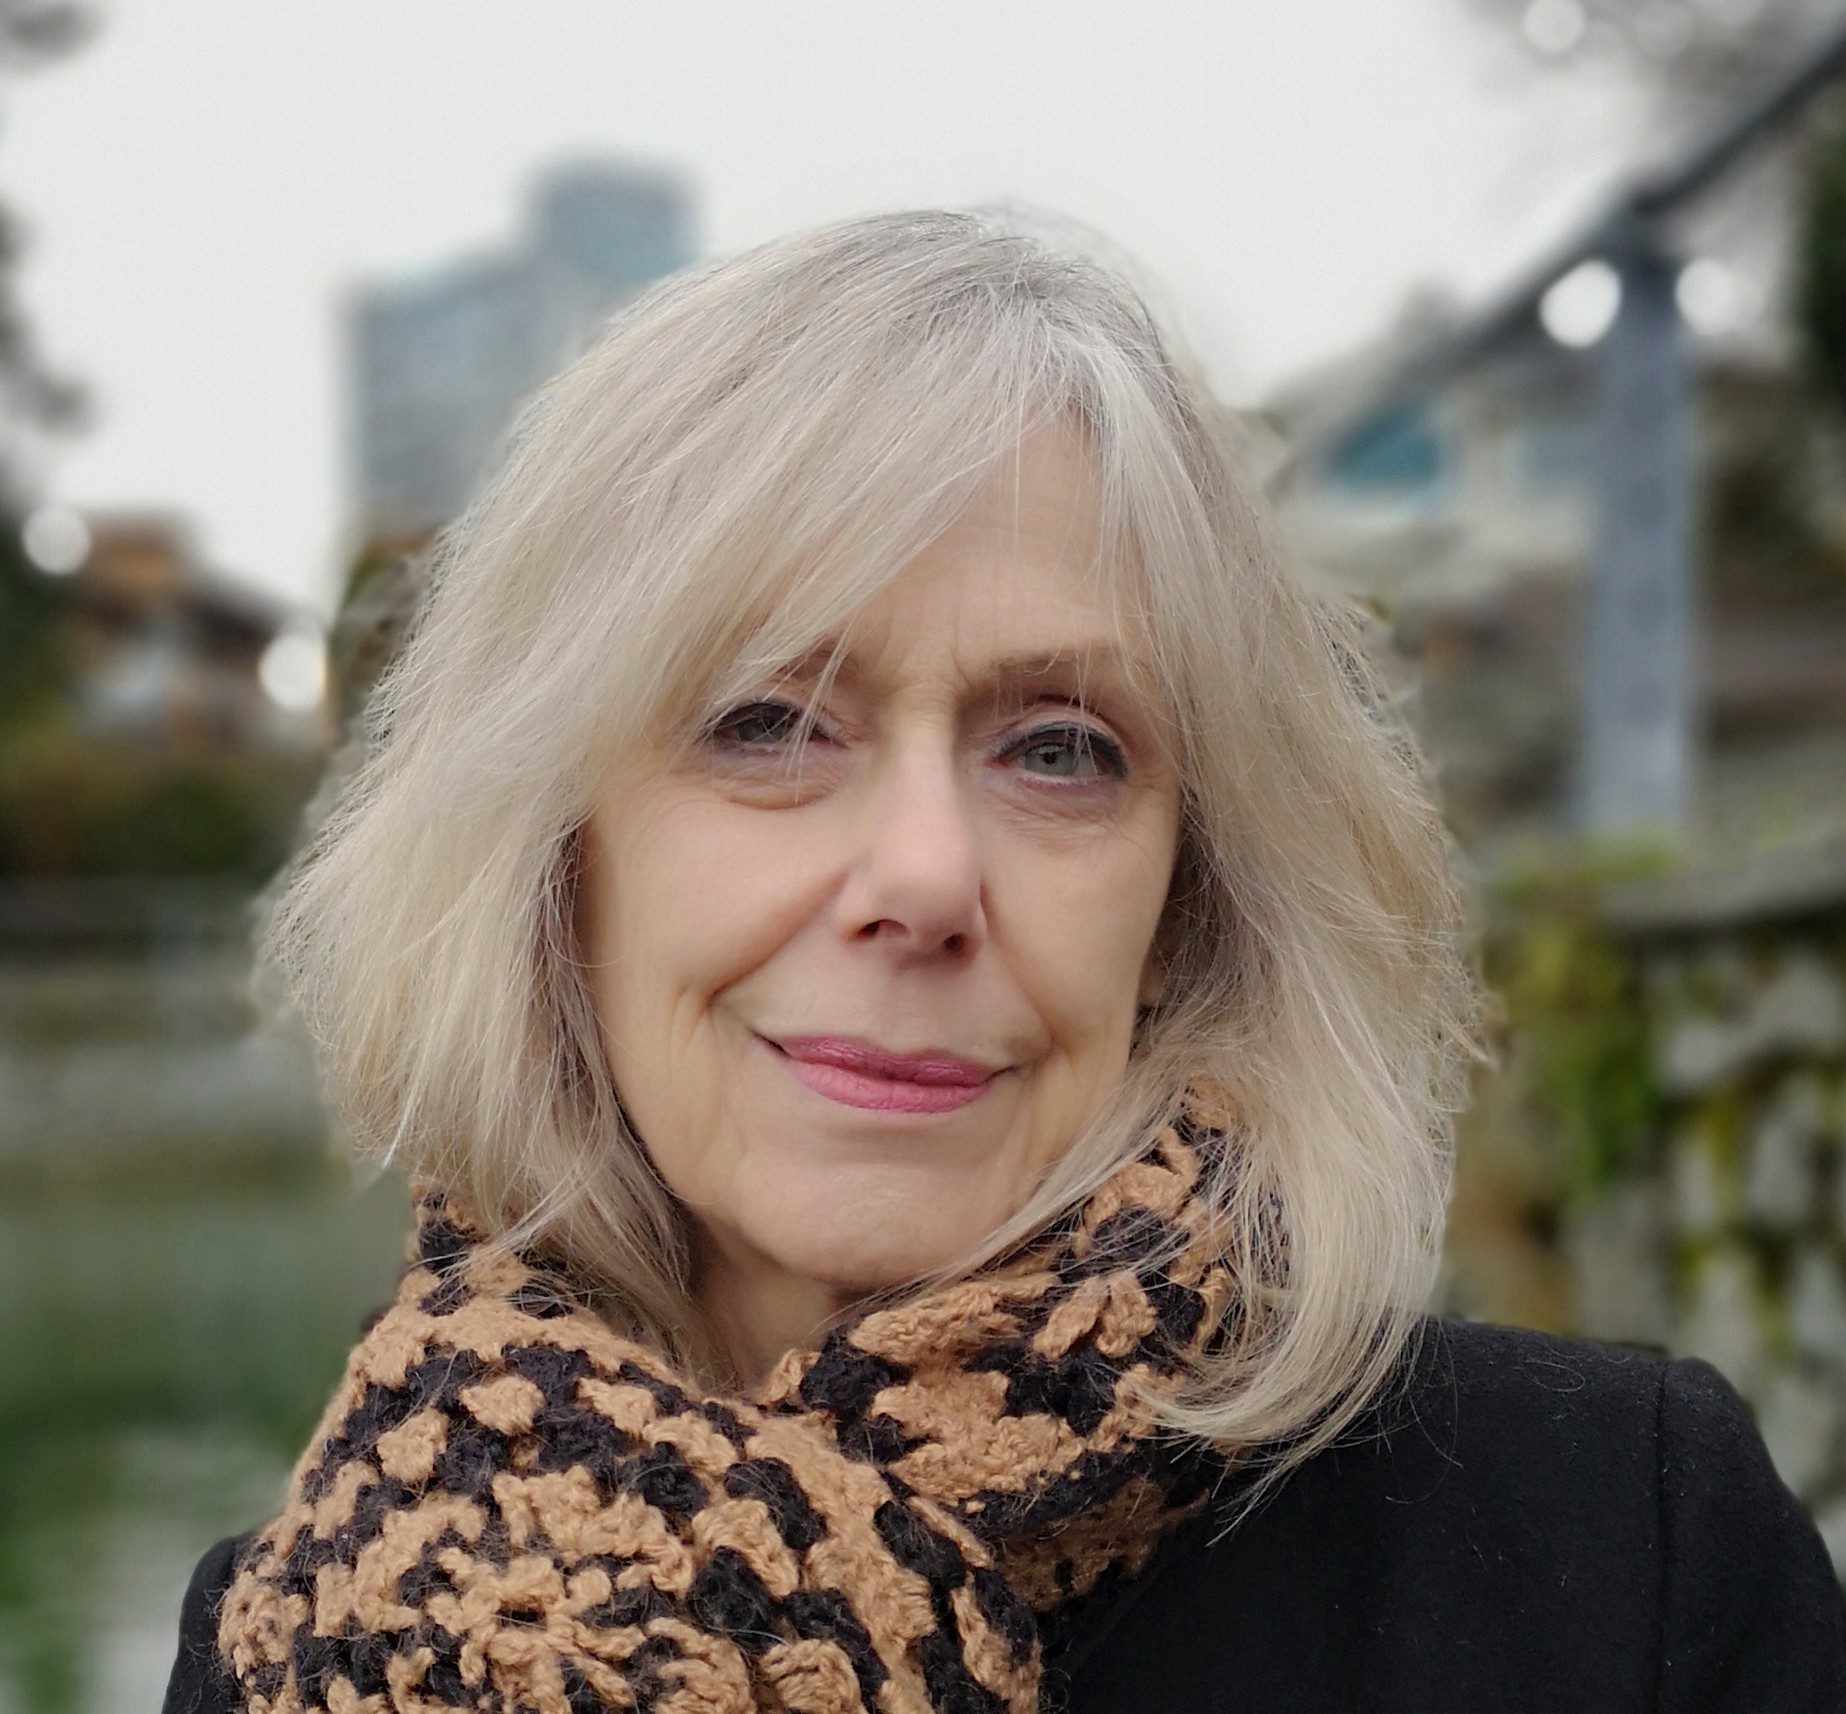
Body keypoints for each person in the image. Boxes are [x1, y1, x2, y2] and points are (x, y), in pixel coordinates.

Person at [164, 211, 1844, 1714]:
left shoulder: (1623, 1550)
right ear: (557, 853)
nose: (919, 876)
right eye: (769, 720)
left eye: (1059, 747)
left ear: (1188, 884)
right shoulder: (297, 1641)